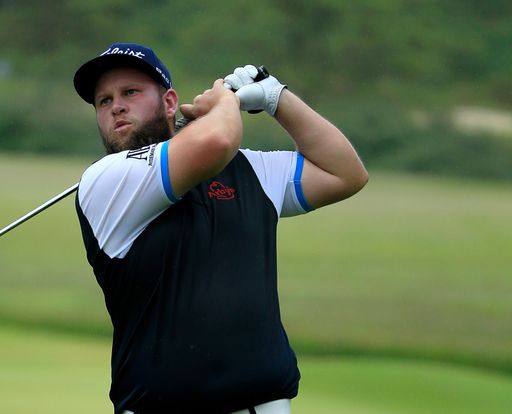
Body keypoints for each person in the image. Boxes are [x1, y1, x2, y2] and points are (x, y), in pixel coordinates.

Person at [72, 42, 368, 414]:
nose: (116, 105)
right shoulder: (107, 180)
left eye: (130, 92)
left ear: (169, 103)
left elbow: (346, 174)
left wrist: (277, 98)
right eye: (103, 100)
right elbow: (217, 139)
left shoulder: (251, 171)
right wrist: (224, 103)